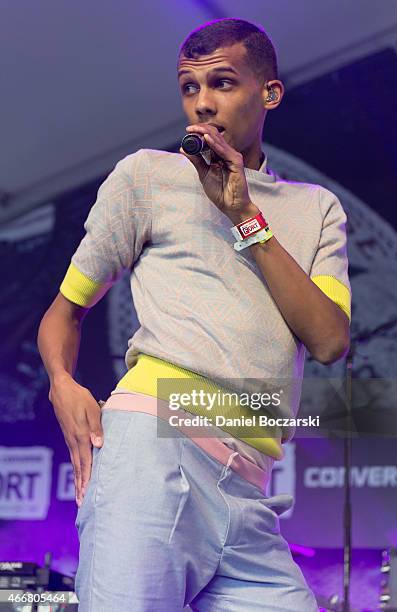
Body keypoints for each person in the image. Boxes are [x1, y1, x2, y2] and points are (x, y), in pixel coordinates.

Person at [37, 17, 351, 612]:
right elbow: (64, 312)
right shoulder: (148, 177)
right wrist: (61, 382)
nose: (203, 104)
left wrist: (243, 214)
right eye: (189, 87)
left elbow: (331, 340)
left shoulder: (315, 209)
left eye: (224, 83)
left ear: (270, 94)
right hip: (154, 449)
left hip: (250, 487)